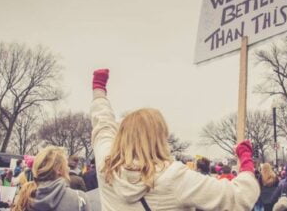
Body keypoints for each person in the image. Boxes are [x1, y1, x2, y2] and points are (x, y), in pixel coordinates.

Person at [90, 69, 259, 210]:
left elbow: (103, 125)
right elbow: (239, 197)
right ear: (159, 139)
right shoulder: (172, 177)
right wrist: (245, 159)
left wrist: (99, 91)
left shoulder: (106, 167)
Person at [12, 146, 90, 211]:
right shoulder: (79, 199)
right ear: (59, 169)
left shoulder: (26, 198)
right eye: (66, 165)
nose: (68, 168)